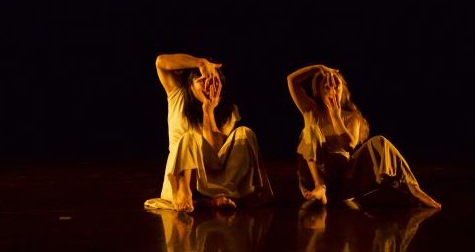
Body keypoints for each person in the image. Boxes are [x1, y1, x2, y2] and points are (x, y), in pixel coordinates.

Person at [287, 64, 441, 209]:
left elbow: (349, 146)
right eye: (326, 88)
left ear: (343, 89)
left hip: (343, 181)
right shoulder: (311, 111)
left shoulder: (352, 117)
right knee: (310, 128)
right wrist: (318, 68)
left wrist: (336, 117)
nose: (332, 90)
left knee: (380, 141)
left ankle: (414, 189)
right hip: (316, 177)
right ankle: (320, 186)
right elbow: (292, 80)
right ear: (320, 94)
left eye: (336, 86)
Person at [144, 53, 273, 212]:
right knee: (190, 137)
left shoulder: (228, 110)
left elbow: (215, 154)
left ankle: (216, 199)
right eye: (203, 80)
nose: (209, 85)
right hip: (184, 176)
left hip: (212, 177)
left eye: (214, 81)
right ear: (190, 85)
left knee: (245, 133)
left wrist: (208, 110)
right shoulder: (177, 94)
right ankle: (187, 193)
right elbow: (161, 62)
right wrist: (200, 63)